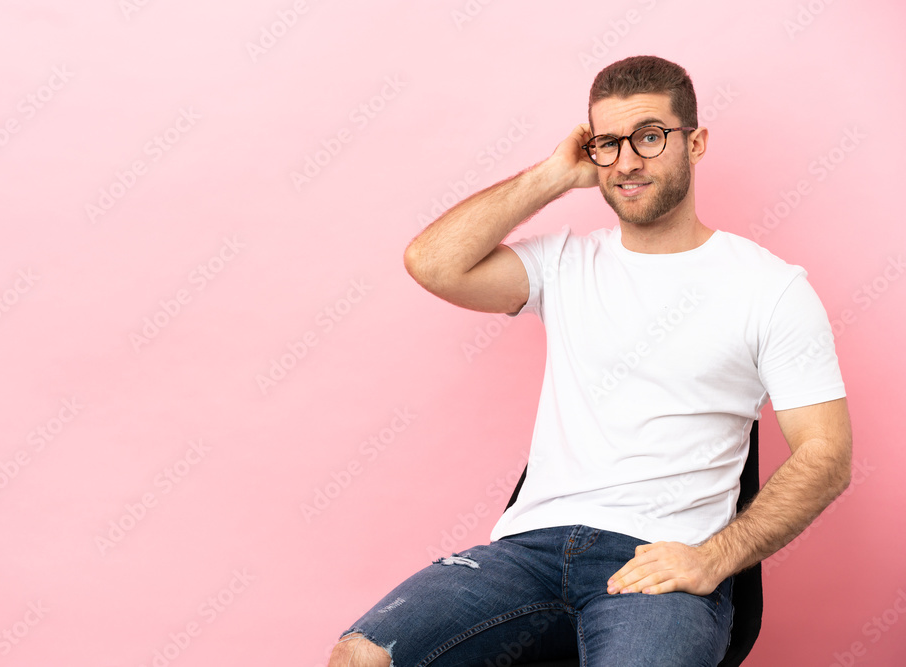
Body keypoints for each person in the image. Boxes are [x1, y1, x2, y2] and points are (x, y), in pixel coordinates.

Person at [327, 55, 852, 667]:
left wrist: (713, 558)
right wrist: (553, 175)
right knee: (362, 656)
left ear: (696, 142)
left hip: (658, 562)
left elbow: (826, 455)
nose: (627, 161)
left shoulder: (771, 289)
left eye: (650, 137)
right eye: (608, 143)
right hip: (529, 553)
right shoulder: (565, 263)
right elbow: (433, 263)